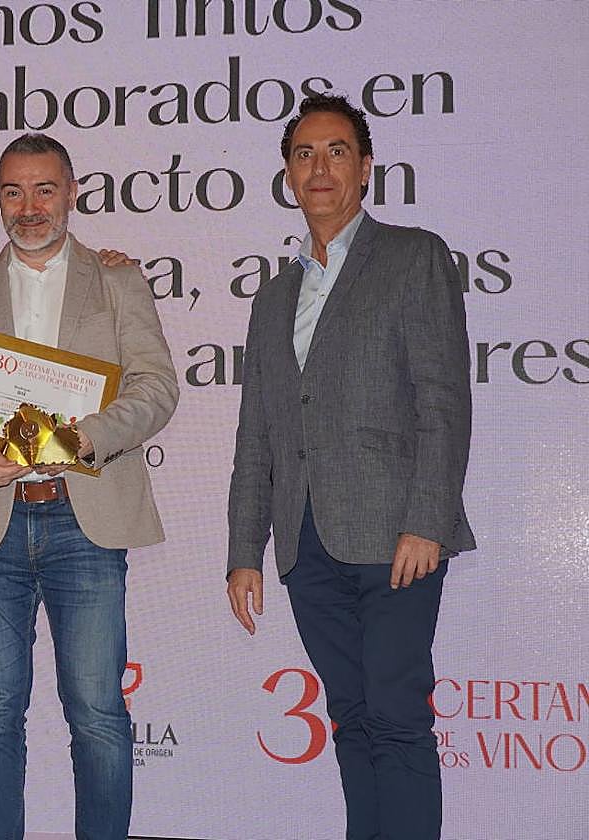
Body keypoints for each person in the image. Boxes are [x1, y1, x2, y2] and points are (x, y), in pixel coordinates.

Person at [226, 93, 475, 840]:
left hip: (399, 539)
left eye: (336, 151)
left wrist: (428, 519)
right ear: (289, 177)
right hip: (308, 550)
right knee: (352, 723)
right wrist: (246, 552)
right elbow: (257, 438)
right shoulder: (273, 300)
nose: (320, 167)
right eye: (304, 155)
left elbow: (444, 400)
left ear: (365, 169)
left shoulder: (412, 256)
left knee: (397, 721)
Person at [0, 133, 179, 840]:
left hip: (83, 521)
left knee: (96, 709)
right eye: (13, 191)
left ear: (72, 191)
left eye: (43, 189)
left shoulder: (119, 280)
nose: (28, 207)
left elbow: (157, 389)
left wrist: (82, 437)